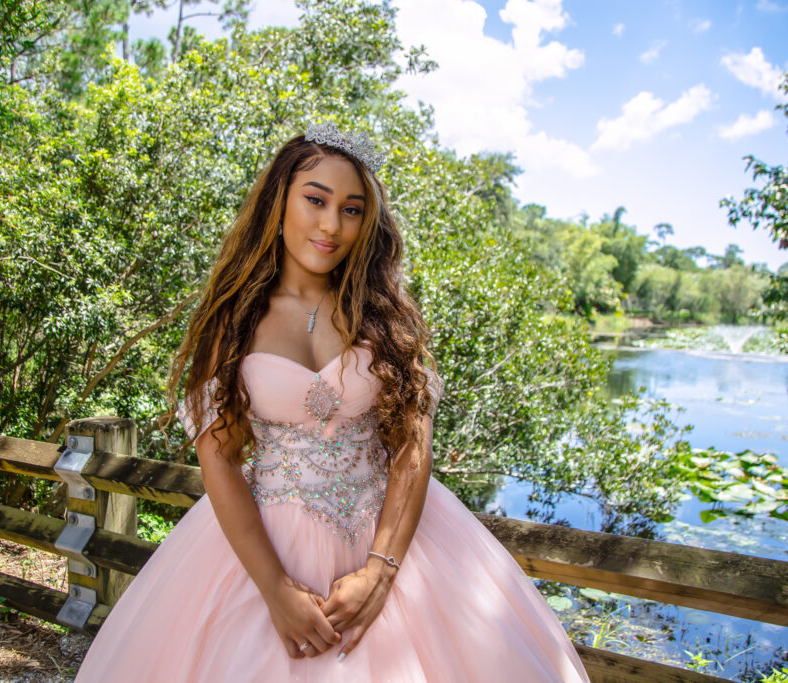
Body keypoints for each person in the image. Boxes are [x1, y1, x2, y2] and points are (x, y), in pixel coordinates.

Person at [75, 123, 589, 682]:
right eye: (316, 200)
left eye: (351, 209)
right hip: (267, 546)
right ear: (279, 203)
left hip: (393, 538)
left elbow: (412, 449)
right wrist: (275, 589)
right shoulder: (233, 318)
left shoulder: (388, 317)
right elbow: (218, 458)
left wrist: (381, 572)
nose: (331, 225)